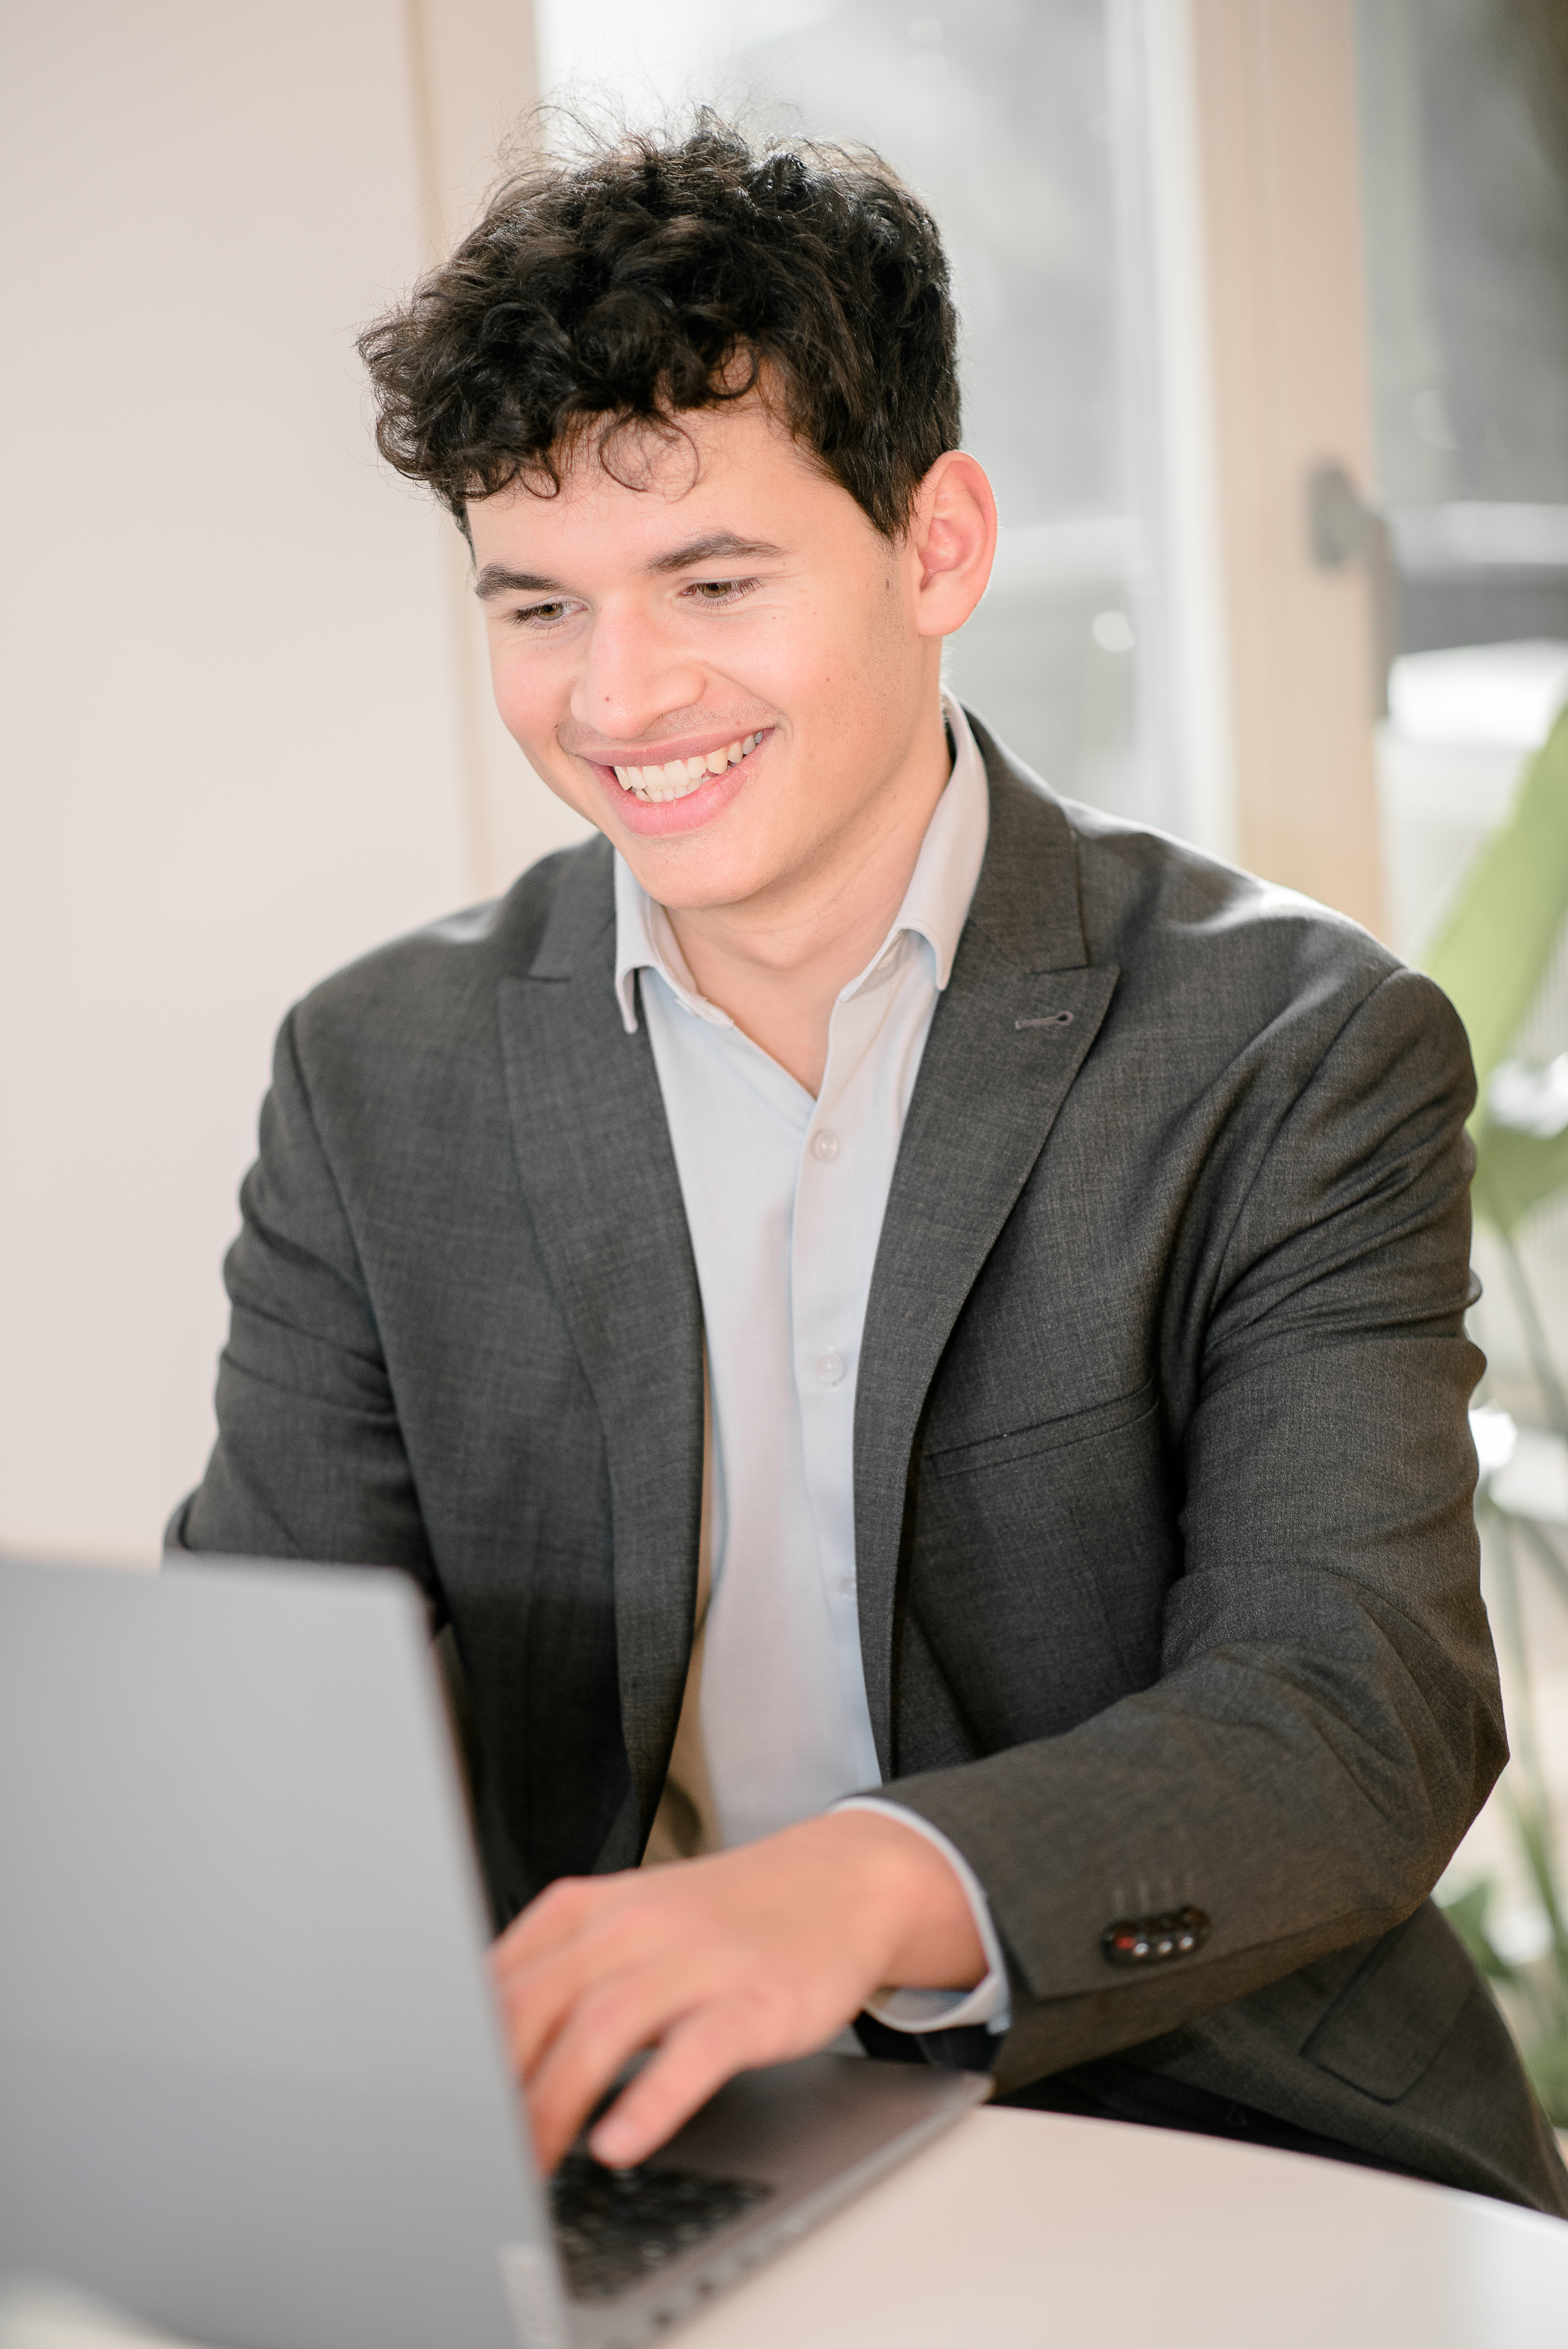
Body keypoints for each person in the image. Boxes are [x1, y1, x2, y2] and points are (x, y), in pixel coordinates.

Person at [170, 115, 1568, 2215]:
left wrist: (850, 1893)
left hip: (1199, 2138)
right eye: (538, 603)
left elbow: (1345, 1711)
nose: (618, 695)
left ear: (937, 547)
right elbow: (260, 1707)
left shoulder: (1291, 1049)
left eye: (712, 581)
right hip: (633, 2158)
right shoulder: (378, 1075)